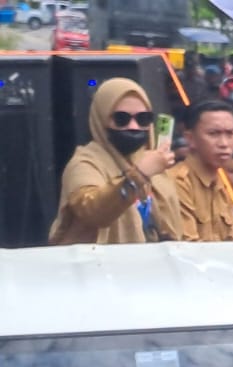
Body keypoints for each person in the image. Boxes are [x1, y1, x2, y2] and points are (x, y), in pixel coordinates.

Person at [50, 77, 182, 244]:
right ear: (102, 120)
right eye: (121, 119)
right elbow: (92, 212)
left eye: (142, 119)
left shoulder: (153, 160)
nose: (133, 127)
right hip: (98, 266)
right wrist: (138, 176)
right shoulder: (85, 163)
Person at [171, 100, 233, 242]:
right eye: (214, 134)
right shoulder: (177, 182)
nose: (224, 143)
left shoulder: (221, 183)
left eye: (230, 134)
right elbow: (188, 248)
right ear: (190, 139)